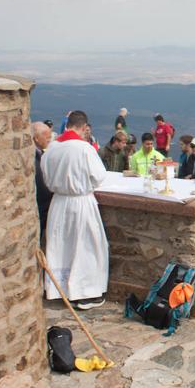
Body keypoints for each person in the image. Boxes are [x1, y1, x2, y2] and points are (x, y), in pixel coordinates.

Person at [40, 111, 109, 310]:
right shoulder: (84, 149)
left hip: (59, 203)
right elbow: (98, 176)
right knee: (86, 247)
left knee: (62, 247)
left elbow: (46, 176)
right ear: (84, 127)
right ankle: (85, 293)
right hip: (80, 203)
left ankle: (60, 289)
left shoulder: (52, 148)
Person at [32, 121, 53, 244]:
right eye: (47, 137)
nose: (49, 140)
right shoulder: (32, 157)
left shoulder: (41, 153)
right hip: (40, 206)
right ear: (36, 138)